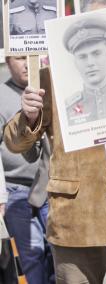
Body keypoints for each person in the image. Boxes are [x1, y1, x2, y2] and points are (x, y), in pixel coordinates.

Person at [3, 48, 106, 284]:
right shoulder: (50, 80)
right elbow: (14, 143)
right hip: (76, 218)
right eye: (84, 54)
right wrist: (29, 116)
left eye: (97, 52)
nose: (91, 60)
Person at [0, 55, 54, 284]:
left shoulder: (50, 88)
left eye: (31, 57)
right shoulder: (2, 95)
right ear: (8, 60)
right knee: (30, 257)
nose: (26, 63)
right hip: (16, 191)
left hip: (51, 188)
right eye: (20, 57)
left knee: (58, 254)